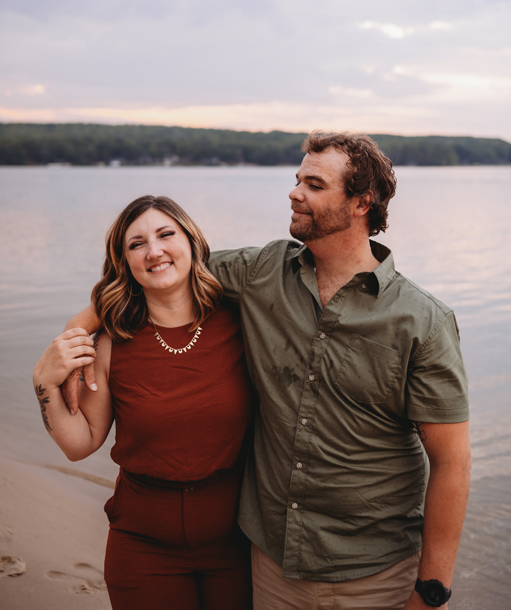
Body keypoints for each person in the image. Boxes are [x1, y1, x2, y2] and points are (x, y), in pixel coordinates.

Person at [64, 132, 471, 610]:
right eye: (297, 179)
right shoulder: (261, 272)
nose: (295, 192)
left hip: (377, 573)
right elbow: (161, 270)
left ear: (363, 203)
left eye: (314, 185)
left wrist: (433, 589)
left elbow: (452, 462)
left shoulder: (423, 321)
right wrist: (74, 338)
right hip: (271, 567)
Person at [33, 195, 253, 610]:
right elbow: (80, 443)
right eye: (136, 244)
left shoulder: (240, 321)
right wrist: (43, 384)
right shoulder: (112, 343)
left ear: (191, 242)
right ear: (125, 262)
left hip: (237, 542)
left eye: (166, 234)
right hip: (144, 548)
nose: (154, 251)